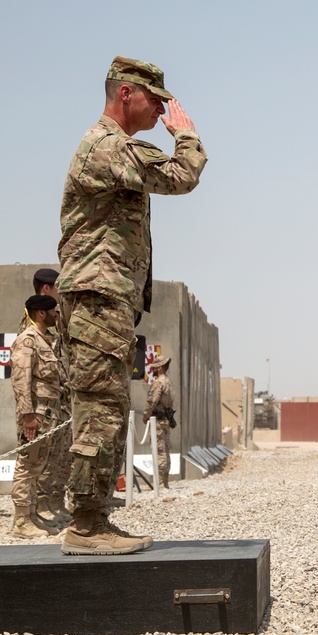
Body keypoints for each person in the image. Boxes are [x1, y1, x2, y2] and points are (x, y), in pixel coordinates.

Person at [57, 56, 206, 555]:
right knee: (101, 411)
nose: (163, 110)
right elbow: (181, 175)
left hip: (108, 301)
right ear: (126, 93)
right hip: (97, 299)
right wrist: (185, 135)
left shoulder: (114, 148)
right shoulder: (105, 148)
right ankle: (84, 524)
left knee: (110, 408)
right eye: (156, 100)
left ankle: (93, 519)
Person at [10, 295, 69, 539]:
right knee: (28, 465)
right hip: (35, 413)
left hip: (48, 412)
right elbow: (21, 381)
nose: (57, 316)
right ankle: (21, 521)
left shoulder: (46, 340)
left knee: (38, 465)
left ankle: (31, 514)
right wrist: (27, 416)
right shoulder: (28, 340)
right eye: (53, 311)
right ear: (41, 313)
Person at [142, 355, 175, 488]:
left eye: (154, 367)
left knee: (160, 450)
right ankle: (164, 481)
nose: (152, 369)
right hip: (166, 420)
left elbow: (152, 402)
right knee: (165, 450)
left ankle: (161, 482)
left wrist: (145, 416)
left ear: (160, 368)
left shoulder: (159, 383)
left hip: (158, 421)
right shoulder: (168, 382)